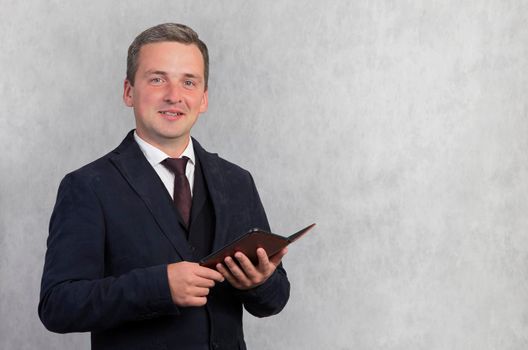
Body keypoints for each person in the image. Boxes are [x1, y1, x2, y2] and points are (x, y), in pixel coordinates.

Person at [38, 23, 290, 350]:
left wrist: (260, 282)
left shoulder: (237, 181)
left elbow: (274, 300)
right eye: (157, 79)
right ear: (129, 91)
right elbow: (58, 306)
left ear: (203, 98)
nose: (174, 95)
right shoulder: (87, 187)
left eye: (189, 82)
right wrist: (160, 287)